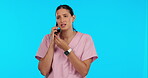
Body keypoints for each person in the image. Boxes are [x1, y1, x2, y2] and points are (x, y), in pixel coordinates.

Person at [35, 5, 98, 78]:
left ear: (73, 18)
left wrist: (67, 49)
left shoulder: (85, 39)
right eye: (58, 17)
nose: (62, 20)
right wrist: (52, 43)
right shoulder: (47, 38)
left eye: (65, 16)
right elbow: (43, 71)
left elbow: (84, 72)